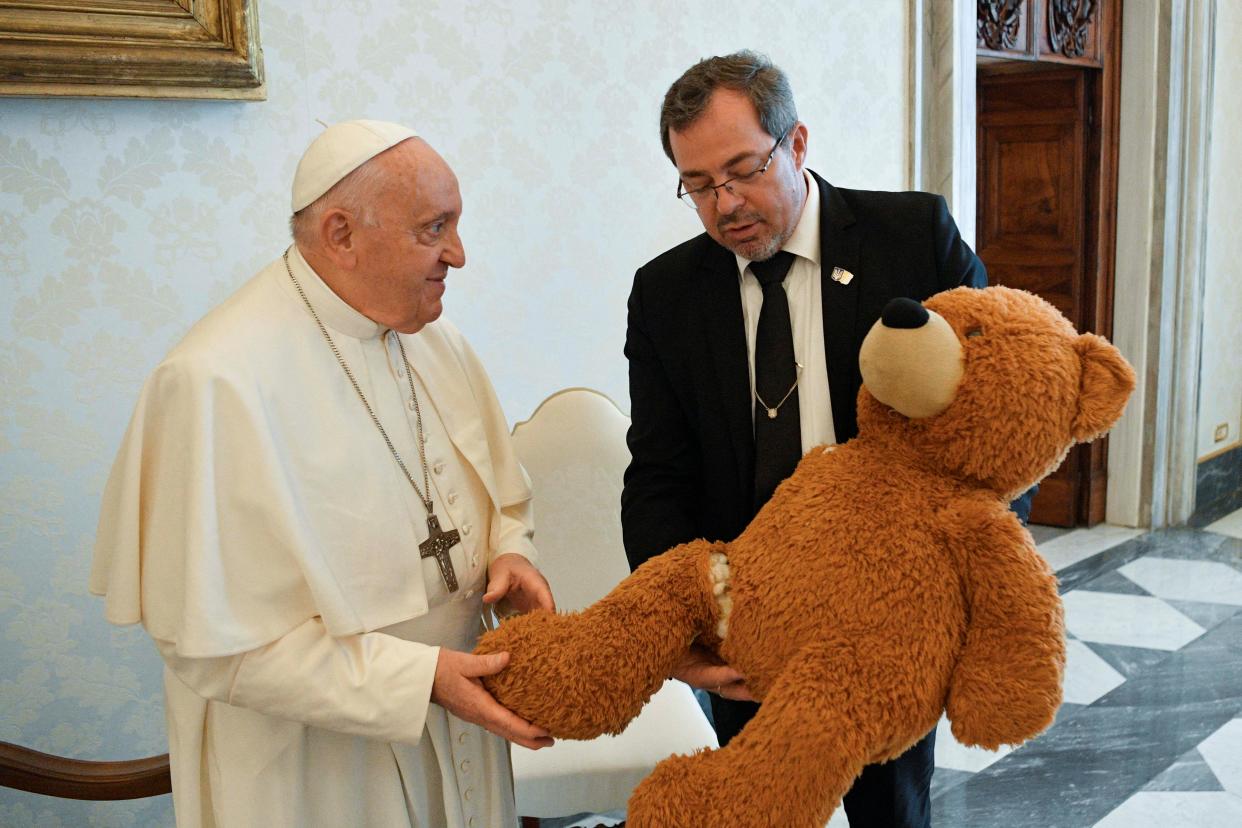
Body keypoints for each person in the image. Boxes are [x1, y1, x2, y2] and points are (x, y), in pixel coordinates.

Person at [90, 120, 554, 828]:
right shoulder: (215, 381)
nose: (458, 255)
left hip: (461, 716)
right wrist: (416, 679)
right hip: (320, 766)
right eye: (434, 229)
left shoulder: (431, 335)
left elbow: (499, 494)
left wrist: (510, 550)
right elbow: (213, 646)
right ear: (341, 234)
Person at [621, 52, 1034, 827]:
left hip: (892, 616)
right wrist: (679, 622)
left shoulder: (911, 239)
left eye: (743, 169)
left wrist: (963, 583)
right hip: (748, 622)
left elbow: (1002, 411)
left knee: (892, 815)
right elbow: (658, 474)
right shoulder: (667, 292)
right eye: (699, 185)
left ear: (797, 143)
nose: (726, 204)